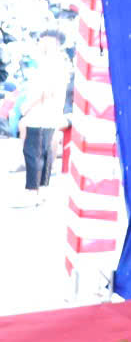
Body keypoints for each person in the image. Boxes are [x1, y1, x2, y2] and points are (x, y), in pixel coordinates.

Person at [17, 30, 71, 208]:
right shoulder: (60, 62)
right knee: (44, 153)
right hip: (49, 113)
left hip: (41, 112)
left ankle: (32, 192)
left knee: (33, 153)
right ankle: (42, 190)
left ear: (52, 42)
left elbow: (45, 91)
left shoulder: (50, 63)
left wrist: (27, 107)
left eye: (43, 41)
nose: (40, 44)